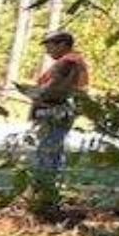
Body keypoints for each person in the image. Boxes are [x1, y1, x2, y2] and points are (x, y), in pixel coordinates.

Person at [21, 29, 89, 178]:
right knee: (53, 150)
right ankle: (48, 188)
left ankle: (45, 188)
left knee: (47, 151)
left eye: (50, 47)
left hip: (55, 110)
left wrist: (35, 94)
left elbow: (56, 89)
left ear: (63, 45)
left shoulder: (68, 62)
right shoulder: (75, 60)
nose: (47, 52)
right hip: (62, 110)